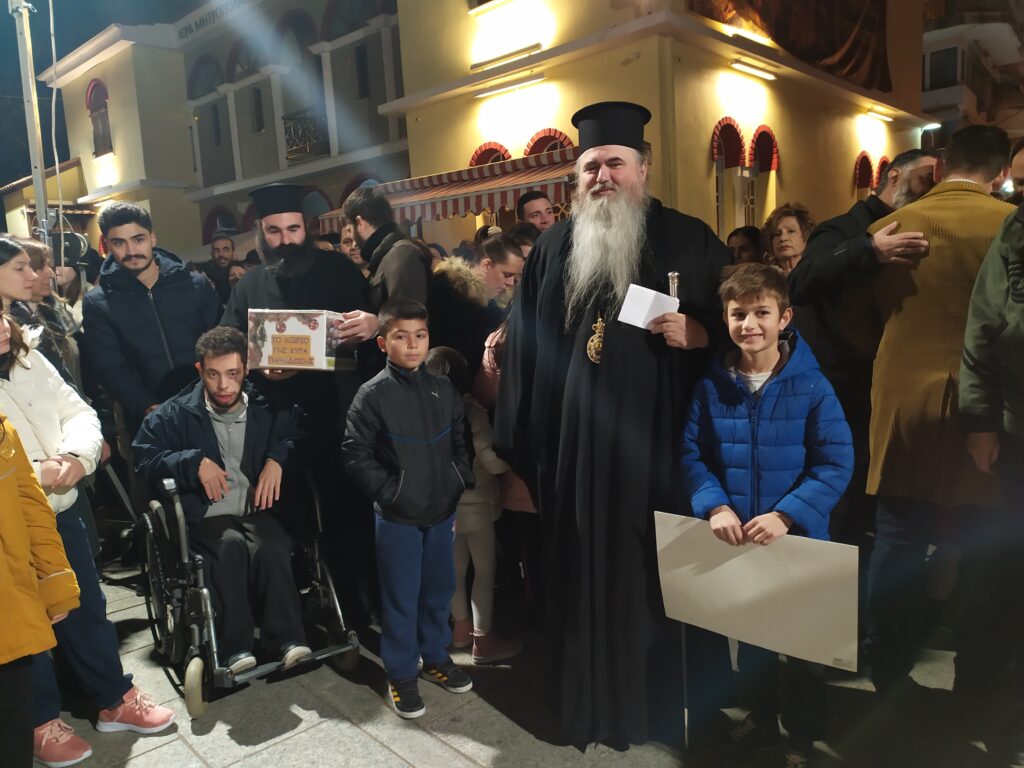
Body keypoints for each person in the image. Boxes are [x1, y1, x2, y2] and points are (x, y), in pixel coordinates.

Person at [494, 101, 733, 748]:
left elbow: (744, 324)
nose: (602, 176)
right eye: (591, 166)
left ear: (644, 168)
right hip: (572, 458)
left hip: (660, 451)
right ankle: (588, 705)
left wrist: (702, 333)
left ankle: (657, 710)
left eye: (615, 164)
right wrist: (524, 451)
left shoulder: (688, 239)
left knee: (653, 578)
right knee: (578, 573)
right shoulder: (553, 247)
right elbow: (527, 350)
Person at [680, 263, 853, 768]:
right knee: (754, 638)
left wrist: (788, 515)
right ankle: (760, 719)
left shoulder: (812, 386)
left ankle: (803, 737)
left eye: (762, 312)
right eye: (738, 314)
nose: (750, 324)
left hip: (796, 539)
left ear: (785, 318)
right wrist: (714, 504)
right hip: (741, 542)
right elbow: (692, 453)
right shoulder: (712, 386)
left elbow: (835, 462)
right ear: (725, 319)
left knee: (803, 646)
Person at [863, 124, 1014, 695]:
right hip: (989, 409)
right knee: (983, 545)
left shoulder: (890, 228)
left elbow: (856, 319)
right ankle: (974, 681)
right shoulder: (1011, 227)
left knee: (897, 539)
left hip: (904, 401)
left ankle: (886, 669)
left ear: (942, 165)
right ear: (1001, 172)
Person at [0, 315, 175, 767]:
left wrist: (78, 457)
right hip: (9, 518)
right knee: (22, 624)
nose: (1, 325)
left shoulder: (29, 358)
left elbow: (77, 411)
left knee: (85, 603)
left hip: (61, 506)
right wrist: (39, 471)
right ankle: (38, 719)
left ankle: (111, 696)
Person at [221, 183, 379, 627]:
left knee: (348, 512)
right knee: (287, 516)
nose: (285, 240)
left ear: (305, 229)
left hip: (339, 415)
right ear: (261, 233)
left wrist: (372, 324)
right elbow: (228, 342)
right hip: (277, 422)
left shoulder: (338, 270)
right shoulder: (249, 285)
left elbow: (372, 328)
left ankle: (362, 605)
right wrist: (255, 364)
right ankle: (299, 611)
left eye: (293, 230)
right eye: (274, 232)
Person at [787, 149, 939, 555]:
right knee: (838, 498)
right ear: (895, 176)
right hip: (841, 390)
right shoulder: (843, 228)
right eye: (925, 177)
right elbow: (801, 282)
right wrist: (868, 249)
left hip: (889, 387)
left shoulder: (922, 225)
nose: (932, 186)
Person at [133, 327, 310, 673]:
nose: (224, 385)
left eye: (233, 373)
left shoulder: (266, 405)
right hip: (207, 513)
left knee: (273, 546)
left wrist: (277, 458)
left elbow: (298, 432)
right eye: (213, 375)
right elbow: (143, 456)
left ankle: (286, 640)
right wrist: (193, 462)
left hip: (255, 508)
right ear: (200, 370)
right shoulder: (175, 413)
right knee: (228, 547)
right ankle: (234, 647)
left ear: (246, 368)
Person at [342, 299, 475, 720]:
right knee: (401, 596)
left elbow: (461, 440)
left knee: (439, 589)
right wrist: (391, 493)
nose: (413, 345)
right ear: (383, 343)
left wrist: (457, 481)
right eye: (401, 337)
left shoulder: (442, 388)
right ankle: (401, 672)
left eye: (420, 335)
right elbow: (356, 454)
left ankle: (434, 656)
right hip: (398, 516)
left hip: (441, 511)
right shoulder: (372, 395)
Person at [81, 202, 222, 440]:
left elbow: (219, 343)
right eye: (119, 242)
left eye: (138, 239)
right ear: (107, 245)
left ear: (152, 238)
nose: (131, 250)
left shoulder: (195, 285)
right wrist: (146, 406)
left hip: (210, 407)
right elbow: (110, 366)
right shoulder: (98, 302)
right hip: (150, 421)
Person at [425, 346, 521, 665]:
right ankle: (483, 639)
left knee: (455, 570)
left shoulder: (421, 415)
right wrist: (509, 463)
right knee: (484, 570)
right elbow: (491, 460)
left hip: (443, 509)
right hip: (477, 506)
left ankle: (461, 629)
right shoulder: (472, 413)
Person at [0, 414, 80, 768]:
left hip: (9, 613)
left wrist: (55, 580)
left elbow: (32, 508)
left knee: (13, 726)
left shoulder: (4, 431)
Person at [429, 236, 523, 380]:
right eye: (507, 274)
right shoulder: (446, 293)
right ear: (486, 265)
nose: (511, 282)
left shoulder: (497, 306)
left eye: (515, 276)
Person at [341, 186, 431, 309]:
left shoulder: (400, 255)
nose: (353, 243)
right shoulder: (386, 257)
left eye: (350, 230)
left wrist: (373, 320)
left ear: (360, 223)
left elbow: (407, 316)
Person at [762, 203, 814, 275]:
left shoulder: (817, 273)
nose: (783, 238)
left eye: (791, 231)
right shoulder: (762, 276)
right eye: (777, 233)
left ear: (807, 235)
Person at [197, 232, 236, 305]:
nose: (221, 254)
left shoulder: (242, 271)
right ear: (212, 254)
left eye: (225, 250)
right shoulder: (204, 271)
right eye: (216, 251)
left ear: (233, 252)